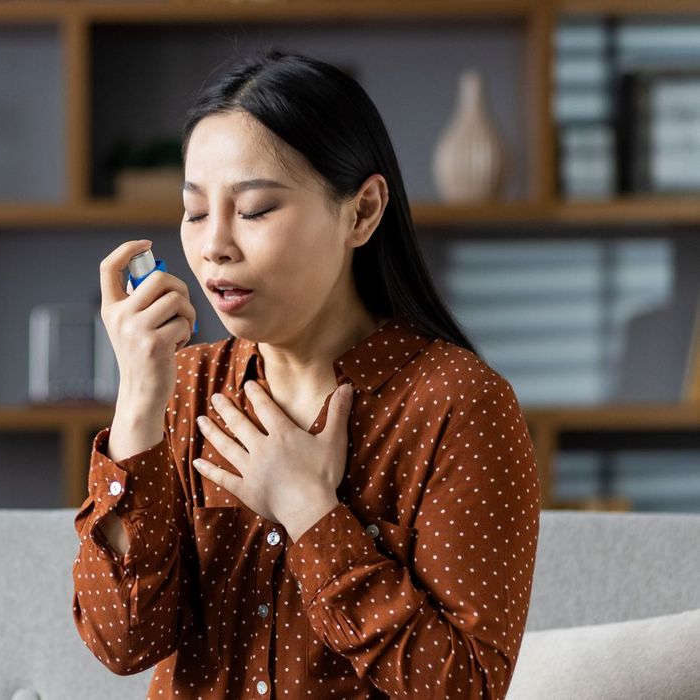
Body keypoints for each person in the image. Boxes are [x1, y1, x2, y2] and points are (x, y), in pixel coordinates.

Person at [71, 48, 540, 699]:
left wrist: (309, 512)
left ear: (362, 211)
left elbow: (464, 687)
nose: (215, 245)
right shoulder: (182, 390)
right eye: (195, 211)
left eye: (255, 209)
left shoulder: (457, 405)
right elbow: (122, 642)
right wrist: (138, 403)